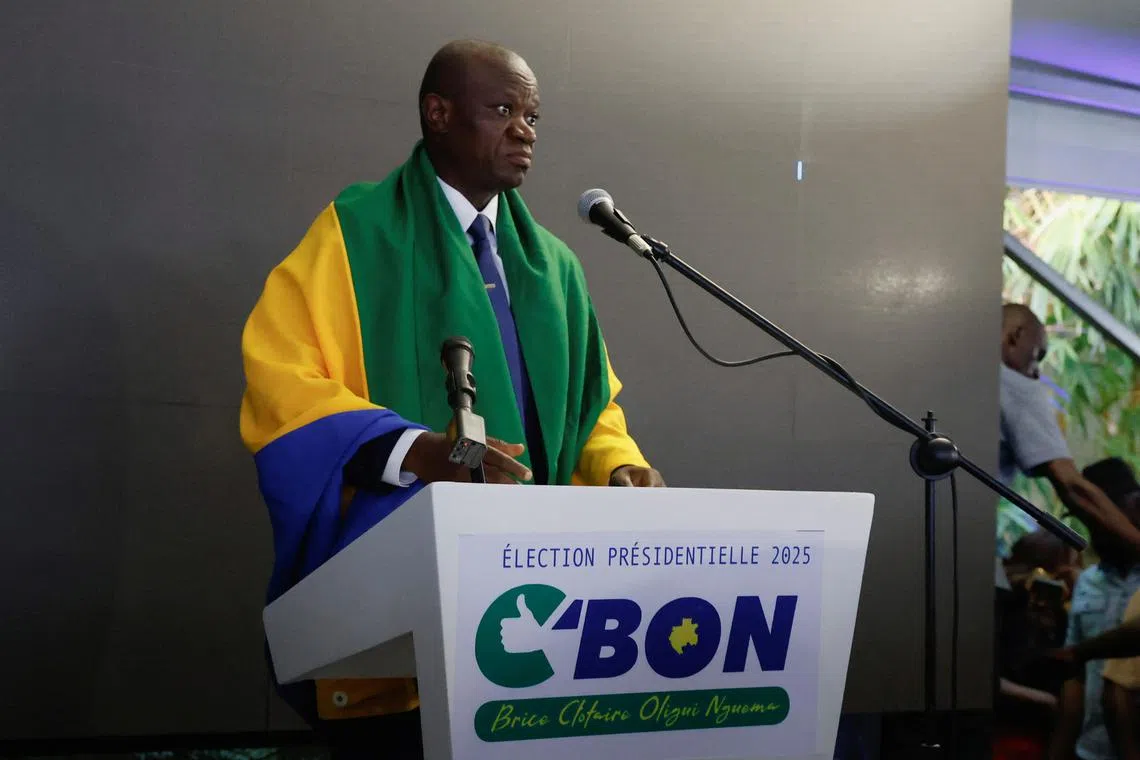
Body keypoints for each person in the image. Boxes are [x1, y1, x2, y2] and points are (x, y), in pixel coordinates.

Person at [240, 39, 664, 756]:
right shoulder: (357, 232)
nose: (525, 130)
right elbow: (284, 381)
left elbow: (592, 412)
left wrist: (619, 465)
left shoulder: (555, 267)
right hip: (402, 618)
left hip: (537, 617)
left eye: (533, 115)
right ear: (437, 114)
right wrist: (416, 451)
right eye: (503, 110)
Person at [999, 305, 1140, 547]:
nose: (1036, 373)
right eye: (1038, 355)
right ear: (1016, 336)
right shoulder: (1014, 384)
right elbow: (1072, 486)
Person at [1049, 458, 1140, 760]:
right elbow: (1076, 679)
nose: (1092, 526)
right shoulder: (1087, 583)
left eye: (1096, 514)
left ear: (1133, 506)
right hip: (1092, 751)